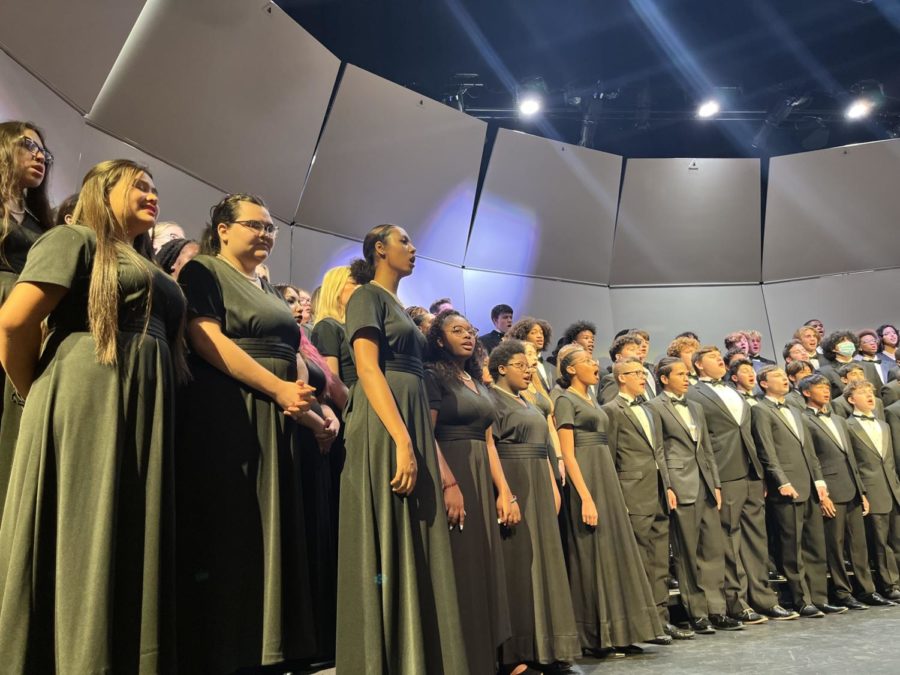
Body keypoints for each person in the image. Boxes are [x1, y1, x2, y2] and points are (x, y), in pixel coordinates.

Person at [0, 159, 187, 672]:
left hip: (143, 404)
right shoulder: (75, 239)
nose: (152, 194)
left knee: (126, 527)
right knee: (86, 523)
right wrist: (34, 394)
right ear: (103, 191)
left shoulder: (142, 259)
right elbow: (14, 324)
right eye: (140, 186)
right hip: (89, 390)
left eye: (154, 187)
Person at [175, 193, 318, 672]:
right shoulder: (205, 272)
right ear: (223, 229)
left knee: (271, 525)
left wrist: (318, 413)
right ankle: (229, 648)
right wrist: (277, 388)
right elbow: (204, 337)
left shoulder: (269, 287)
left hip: (279, 412)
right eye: (255, 225)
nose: (266, 234)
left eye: (271, 228)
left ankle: (269, 644)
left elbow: (289, 348)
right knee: (237, 526)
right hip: (232, 409)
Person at [335, 224, 467, 673]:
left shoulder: (396, 307)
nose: (413, 249)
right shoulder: (364, 297)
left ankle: (419, 653)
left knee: (415, 534)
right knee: (388, 532)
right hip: (385, 426)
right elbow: (368, 369)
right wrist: (402, 440)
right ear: (379, 249)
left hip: (406, 424)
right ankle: (386, 656)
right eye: (404, 241)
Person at [425, 310, 519, 674]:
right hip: (454, 468)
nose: (466, 335)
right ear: (438, 339)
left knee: (485, 568)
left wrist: (504, 492)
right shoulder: (433, 377)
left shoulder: (477, 382)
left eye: (470, 330)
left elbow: (490, 443)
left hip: (482, 474)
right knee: (462, 568)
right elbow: (426, 434)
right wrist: (449, 483)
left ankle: (487, 661)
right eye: (456, 330)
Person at [554, 345, 662, 655]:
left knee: (615, 555)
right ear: (571, 369)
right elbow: (569, 455)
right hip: (587, 480)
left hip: (607, 479)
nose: (594, 364)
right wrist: (585, 497)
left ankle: (622, 631)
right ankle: (595, 637)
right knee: (592, 556)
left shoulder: (593, 399)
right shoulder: (564, 400)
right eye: (587, 361)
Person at [488, 340, 580, 674]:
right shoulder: (491, 400)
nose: (528, 370)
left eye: (529, 366)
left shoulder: (528, 400)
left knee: (545, 565)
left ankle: (550, 647)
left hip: (540, 484)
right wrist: (505, 493)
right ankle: (515, 656)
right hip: (514, 481)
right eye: (519, 365)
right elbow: (491, 450)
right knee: (518, 568)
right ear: (501, 368)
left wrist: (553, 486)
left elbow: (541, 444)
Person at [686, 346, 796, 622]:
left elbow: (749, 432)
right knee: (729, 540)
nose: (719, 361)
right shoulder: (693, 393)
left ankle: (764, 599)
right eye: (712, 358)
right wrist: (713, 480)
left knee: (756, 540)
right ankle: (737, 601)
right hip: (724, 472)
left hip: (751, 472)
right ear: (698, 365)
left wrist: (762, 472)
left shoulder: (735, 392)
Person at [647, 357, 741, 632]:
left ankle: (717, 609)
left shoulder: (696, 407)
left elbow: (707, 450)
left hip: (705, 485)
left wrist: (716, 484)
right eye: (680, 374)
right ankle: (697, 613)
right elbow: (659, 453)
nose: (686, 378)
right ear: (664, 379)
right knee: (687, 553)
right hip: (680, 484)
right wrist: (667, 486)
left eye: (687, 374)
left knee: (713, 549)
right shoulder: (654, 408)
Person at [603, 357, 691, 642]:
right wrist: (618, 496)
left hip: (657, 492)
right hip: (633, 493)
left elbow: (659, 453)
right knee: (639, 559)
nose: (642, 377)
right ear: (620, 378)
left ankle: (661, 619)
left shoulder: (650, 410)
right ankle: (642, 623)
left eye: (643, 372)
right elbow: (611, 456)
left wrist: (668, 486)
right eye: (635, 373)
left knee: (658, 560)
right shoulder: (611, 411)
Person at [799, 374, 893, 609]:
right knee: (836, 543)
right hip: (830, 489)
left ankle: (867, 589)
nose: (825, 391)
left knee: (858, 544)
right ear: (807, 393)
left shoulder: (840, 420)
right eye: (819, 388)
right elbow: (812, 459)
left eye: (827, 387)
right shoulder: (804, 420)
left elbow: (850, 458)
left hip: (851, 488)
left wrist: (861, 491)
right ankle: (842, 591)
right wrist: (822, 492)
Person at [751, 366, 839, 617]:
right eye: (777, 376)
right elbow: (766, 450)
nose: (783, 380)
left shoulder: (794, 410)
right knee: (792, 545)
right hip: (787, 487)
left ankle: (819, 597)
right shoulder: (760, 409)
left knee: (815, 544)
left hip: (809, 485)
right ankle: (801, 599)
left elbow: (809, 450)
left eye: (783, 375)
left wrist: (819, 481)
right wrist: (781, 480)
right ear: (764, 384)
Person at [0, 121, 54, 523]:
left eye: (44, 153)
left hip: (29, 332)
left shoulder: (41, 224)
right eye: (29, 146)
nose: (39, 156)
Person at [845, 380, 900, 602]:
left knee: (897, 539)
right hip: (871, 488)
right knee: (879, 541)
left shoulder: (884, 425)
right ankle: (889, 585)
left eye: (871, 392)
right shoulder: (848, 426)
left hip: (892, 488)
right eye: (863, 393)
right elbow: (853, 463)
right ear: (851, 399)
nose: (870, 396)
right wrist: (862, 492)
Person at [819, 330, 881, 400]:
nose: (847, 344)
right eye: (842, 342)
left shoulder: (870, 366)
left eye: (850, 341)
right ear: (833, 348)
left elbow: (879, 393)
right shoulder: (825, 372)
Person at [509, 317, 554, 391]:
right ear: (523, 336)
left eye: (541, 333)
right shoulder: (519, 368)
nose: (540, 336)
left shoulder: (550, 367)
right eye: (533, 333)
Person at [598, 334, 644, 403]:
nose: (638, 352)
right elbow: (611, 409)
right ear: (619, 357)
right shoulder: (613, 379)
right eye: (632, 349)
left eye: (638, 349)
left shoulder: (642, 377)